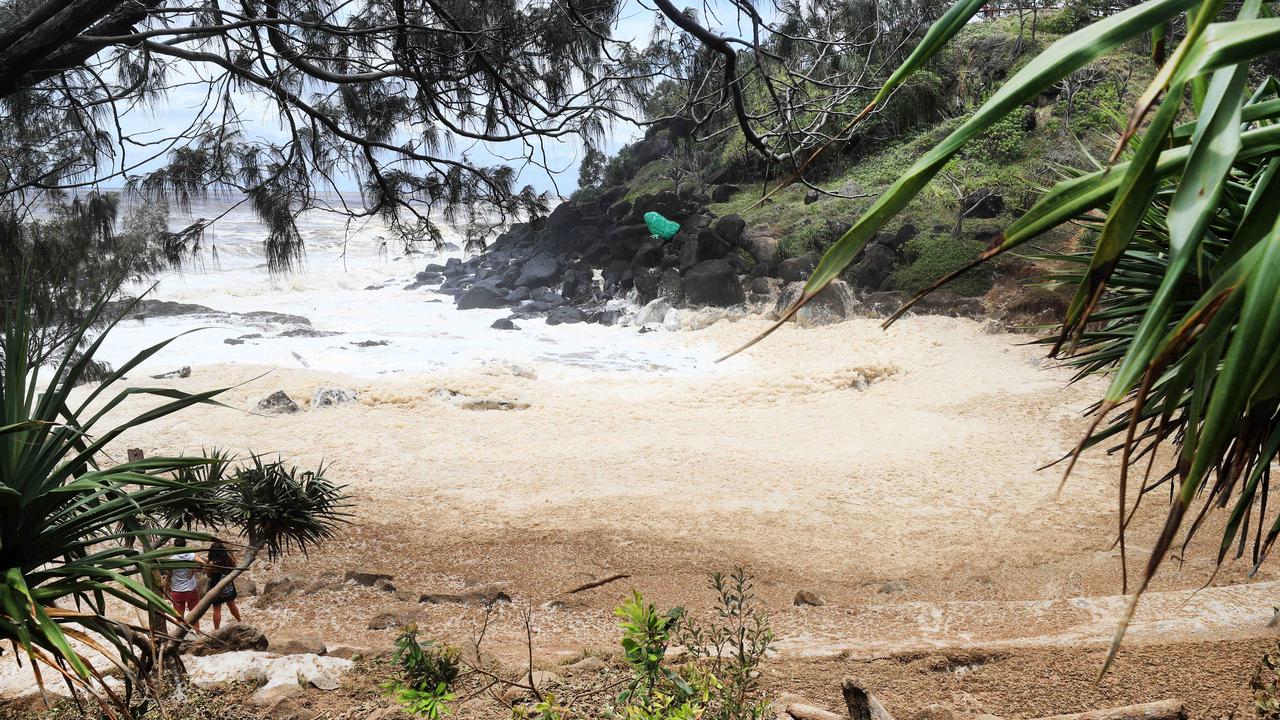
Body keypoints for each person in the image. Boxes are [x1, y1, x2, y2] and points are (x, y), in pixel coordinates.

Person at [206, 540, 242, 630]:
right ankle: (240, 621)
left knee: (217, 609)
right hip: (228, 585)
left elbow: (208, 575)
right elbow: (234, 567)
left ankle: (217, 630)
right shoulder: (228, 558)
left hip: (216, 587)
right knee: (231, 604)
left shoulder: (211, 563)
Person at [167, 538, 200, 631]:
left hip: (177, 591)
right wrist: (193, 571)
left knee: (179, 617)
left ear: (175, 547)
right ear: (185, 545)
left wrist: (165, 591)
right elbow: (203, 564)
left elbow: (168, 578)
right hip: (191, 590)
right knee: (195, 615)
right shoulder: (192, 555)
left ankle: (179, 638)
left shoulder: (171, 560)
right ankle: (198, 634)